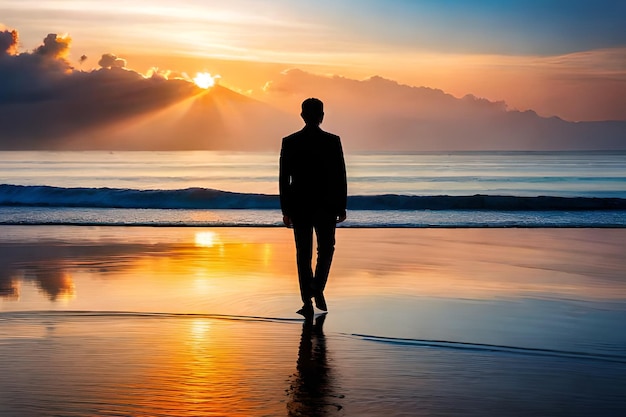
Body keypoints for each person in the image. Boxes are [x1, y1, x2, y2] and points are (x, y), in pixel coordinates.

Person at [279, 98, 347, 317]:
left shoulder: (290, 141)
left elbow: (284, 179)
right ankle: (317, 289)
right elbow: (340, 176)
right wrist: (341, 205)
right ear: (322, 116)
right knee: (326, 249)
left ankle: (308, 301)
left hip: (299, 204)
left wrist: (285, 209)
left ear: (302, 116)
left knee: (303, 254)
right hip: (326, 204)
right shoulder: (332, 141)